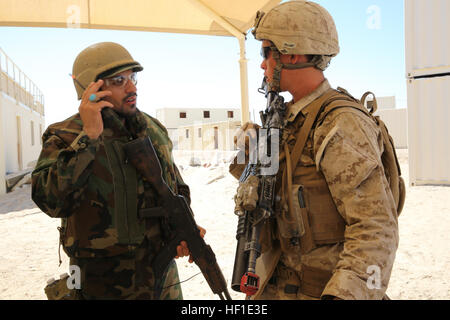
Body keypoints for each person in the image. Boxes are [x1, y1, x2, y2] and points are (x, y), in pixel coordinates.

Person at [232, 0, 400, 300]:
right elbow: (278, 192)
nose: (262, 64)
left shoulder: (340, 123)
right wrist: (250, 153)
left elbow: (376, 228)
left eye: (266, 52)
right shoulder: (288, 118)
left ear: (292, 53)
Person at [32, 42, 202, 300]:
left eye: (133, 78)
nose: (132, 87)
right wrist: (88, 138)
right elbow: (52, 201)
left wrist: (181, 228)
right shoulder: (65, 135)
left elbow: (175, 188)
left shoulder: (152, 128)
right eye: (119, 80)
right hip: (100, 285)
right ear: (93, 88)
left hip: (163, 278)